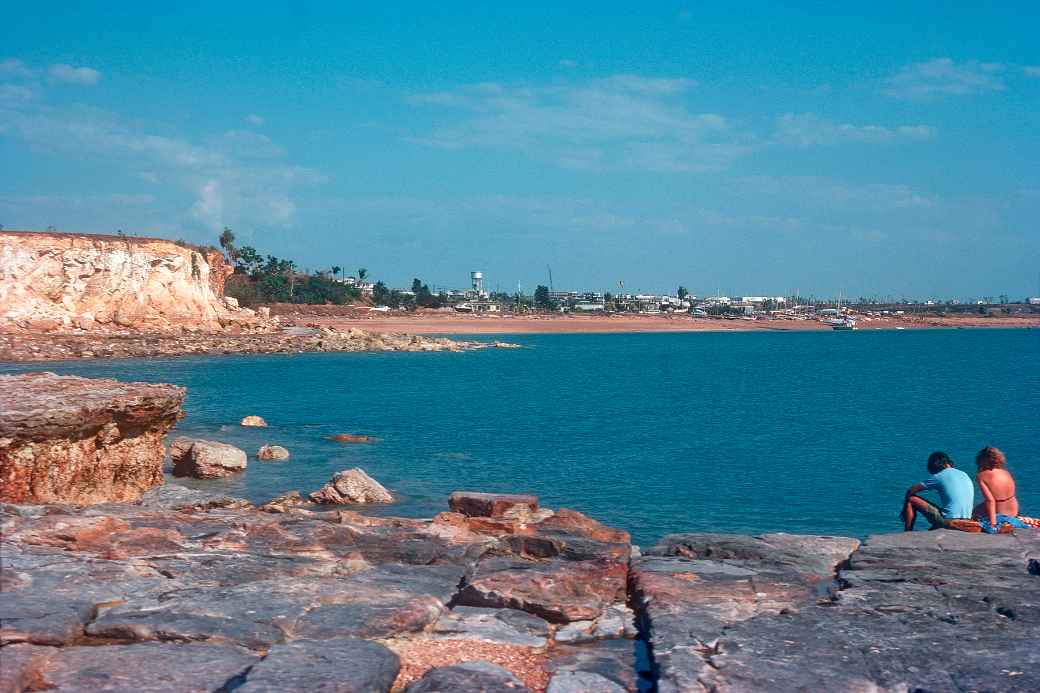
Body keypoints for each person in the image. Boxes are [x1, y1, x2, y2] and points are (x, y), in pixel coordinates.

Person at [901, 451, 974, 531]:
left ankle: (907, 531)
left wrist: (904, 510)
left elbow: (911, 490)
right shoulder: (964, 474)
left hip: (950, 521)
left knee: (911, 499)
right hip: (967, 521)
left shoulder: (940, 476)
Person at [972, 446, 1019, 528]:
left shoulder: (981, 476)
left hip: (1001, 512)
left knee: (974, 512)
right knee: (980, 507)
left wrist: (993, 523)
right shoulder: (1006, 472)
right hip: (1014, 510)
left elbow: (990, 501)